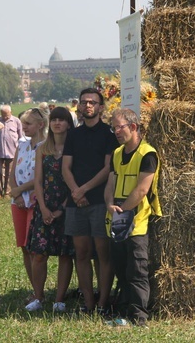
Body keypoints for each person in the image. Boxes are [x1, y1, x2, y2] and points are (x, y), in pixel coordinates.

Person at [62, 87, 119, 314]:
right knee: (81, 253)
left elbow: (108, 168)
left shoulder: (108, 134)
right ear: (79, 106)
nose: (88, 106)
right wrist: (76, 191)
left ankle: (104, 303)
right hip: (76, 202)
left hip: (99, 201)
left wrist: (83, 189)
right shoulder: (73, 135)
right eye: (84, 102)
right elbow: (66, 167)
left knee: (103, 254)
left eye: (93, 102)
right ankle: (88, 302)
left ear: (101, 107)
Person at [104, 108, 161, 327]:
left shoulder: (147, 153)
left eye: (120, 127)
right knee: (120, 268)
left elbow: (142, 190)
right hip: (117, 220)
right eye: (114, 127)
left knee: (137, 270)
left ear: (133, 127)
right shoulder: (117, 153)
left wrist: (124, 210)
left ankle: (140, 318)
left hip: (136, 222)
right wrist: (110, 203)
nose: (116, 131)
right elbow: (110, 182)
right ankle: (123, 314)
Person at [26, 107, 76, 312]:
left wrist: (62, 209)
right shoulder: (42, 149)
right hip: (44, 206)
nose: (57, 123)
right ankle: (38, 297)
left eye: (62, 120)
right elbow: (37, 180)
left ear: (68, 124)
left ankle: (59, 299)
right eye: (54, 119)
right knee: (39, 254)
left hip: (67, 205)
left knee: (66, 254)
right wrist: (44, 208)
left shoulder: (74, 149)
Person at [10, 107, 47, 300]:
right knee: (24, 247)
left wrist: (20, 190)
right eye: (23, 123)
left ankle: (40, 292)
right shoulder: (21, 144)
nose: (23, 127)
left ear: (40, 125)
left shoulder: (46, 146)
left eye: (28, 124)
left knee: (35, 248)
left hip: (35, 201)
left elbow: (41, 176)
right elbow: (13, 170)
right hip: (18, 202)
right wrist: (15, 193)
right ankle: (35, 290)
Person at [0, 104, 24, 199]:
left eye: (7, 115)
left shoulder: (16, 121)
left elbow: (20, 136)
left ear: (11, 112)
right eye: (3, 114)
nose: (5, 117)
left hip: (12, 151)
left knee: (9, 173)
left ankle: (7, 192)